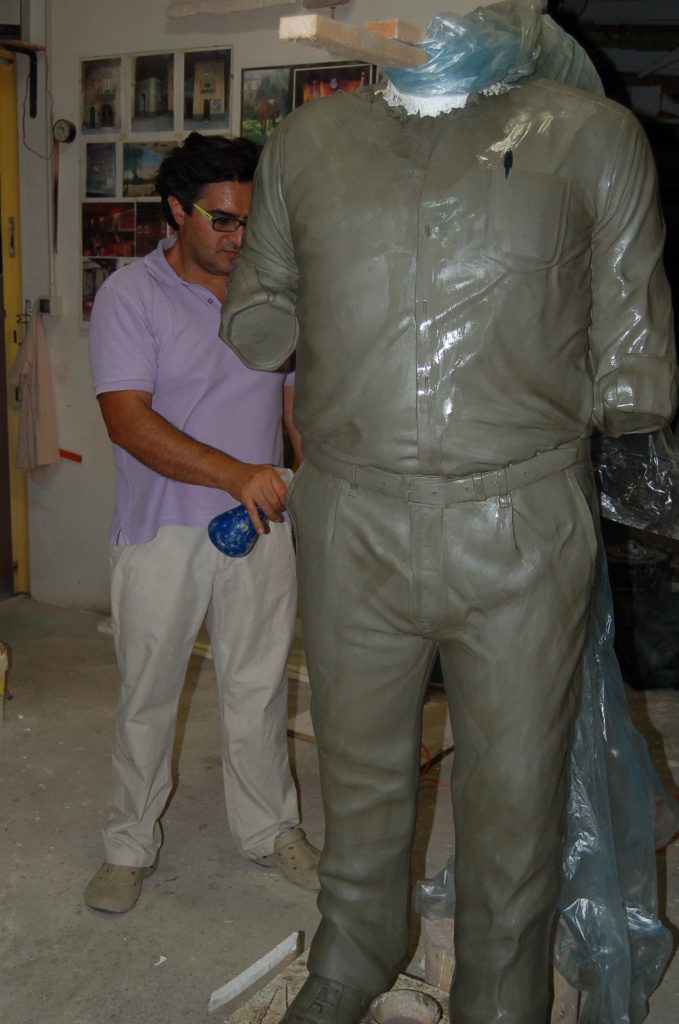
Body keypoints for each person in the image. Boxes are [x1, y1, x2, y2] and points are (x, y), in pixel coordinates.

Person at [219, 4, 678, 1023]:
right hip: (351, 515)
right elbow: (257, 311)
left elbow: (636, 361)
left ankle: (499, 996)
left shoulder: (591, 138)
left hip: (518, 516)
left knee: (514, 790)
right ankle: (354, 946)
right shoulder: (309, 142)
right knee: (357, 765)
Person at [86, 132, 319, 915]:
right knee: (147, 694)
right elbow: (127, 420)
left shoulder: (272, 296)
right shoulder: (131, 295)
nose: (239, 238)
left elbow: (293, 408)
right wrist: (234, 475)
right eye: (222, 220)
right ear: (177, 211)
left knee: (256, 689)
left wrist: (318, 486)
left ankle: (270, 830)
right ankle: (128, 844)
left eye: (251, 221)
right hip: (163, 530)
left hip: (261, 526)